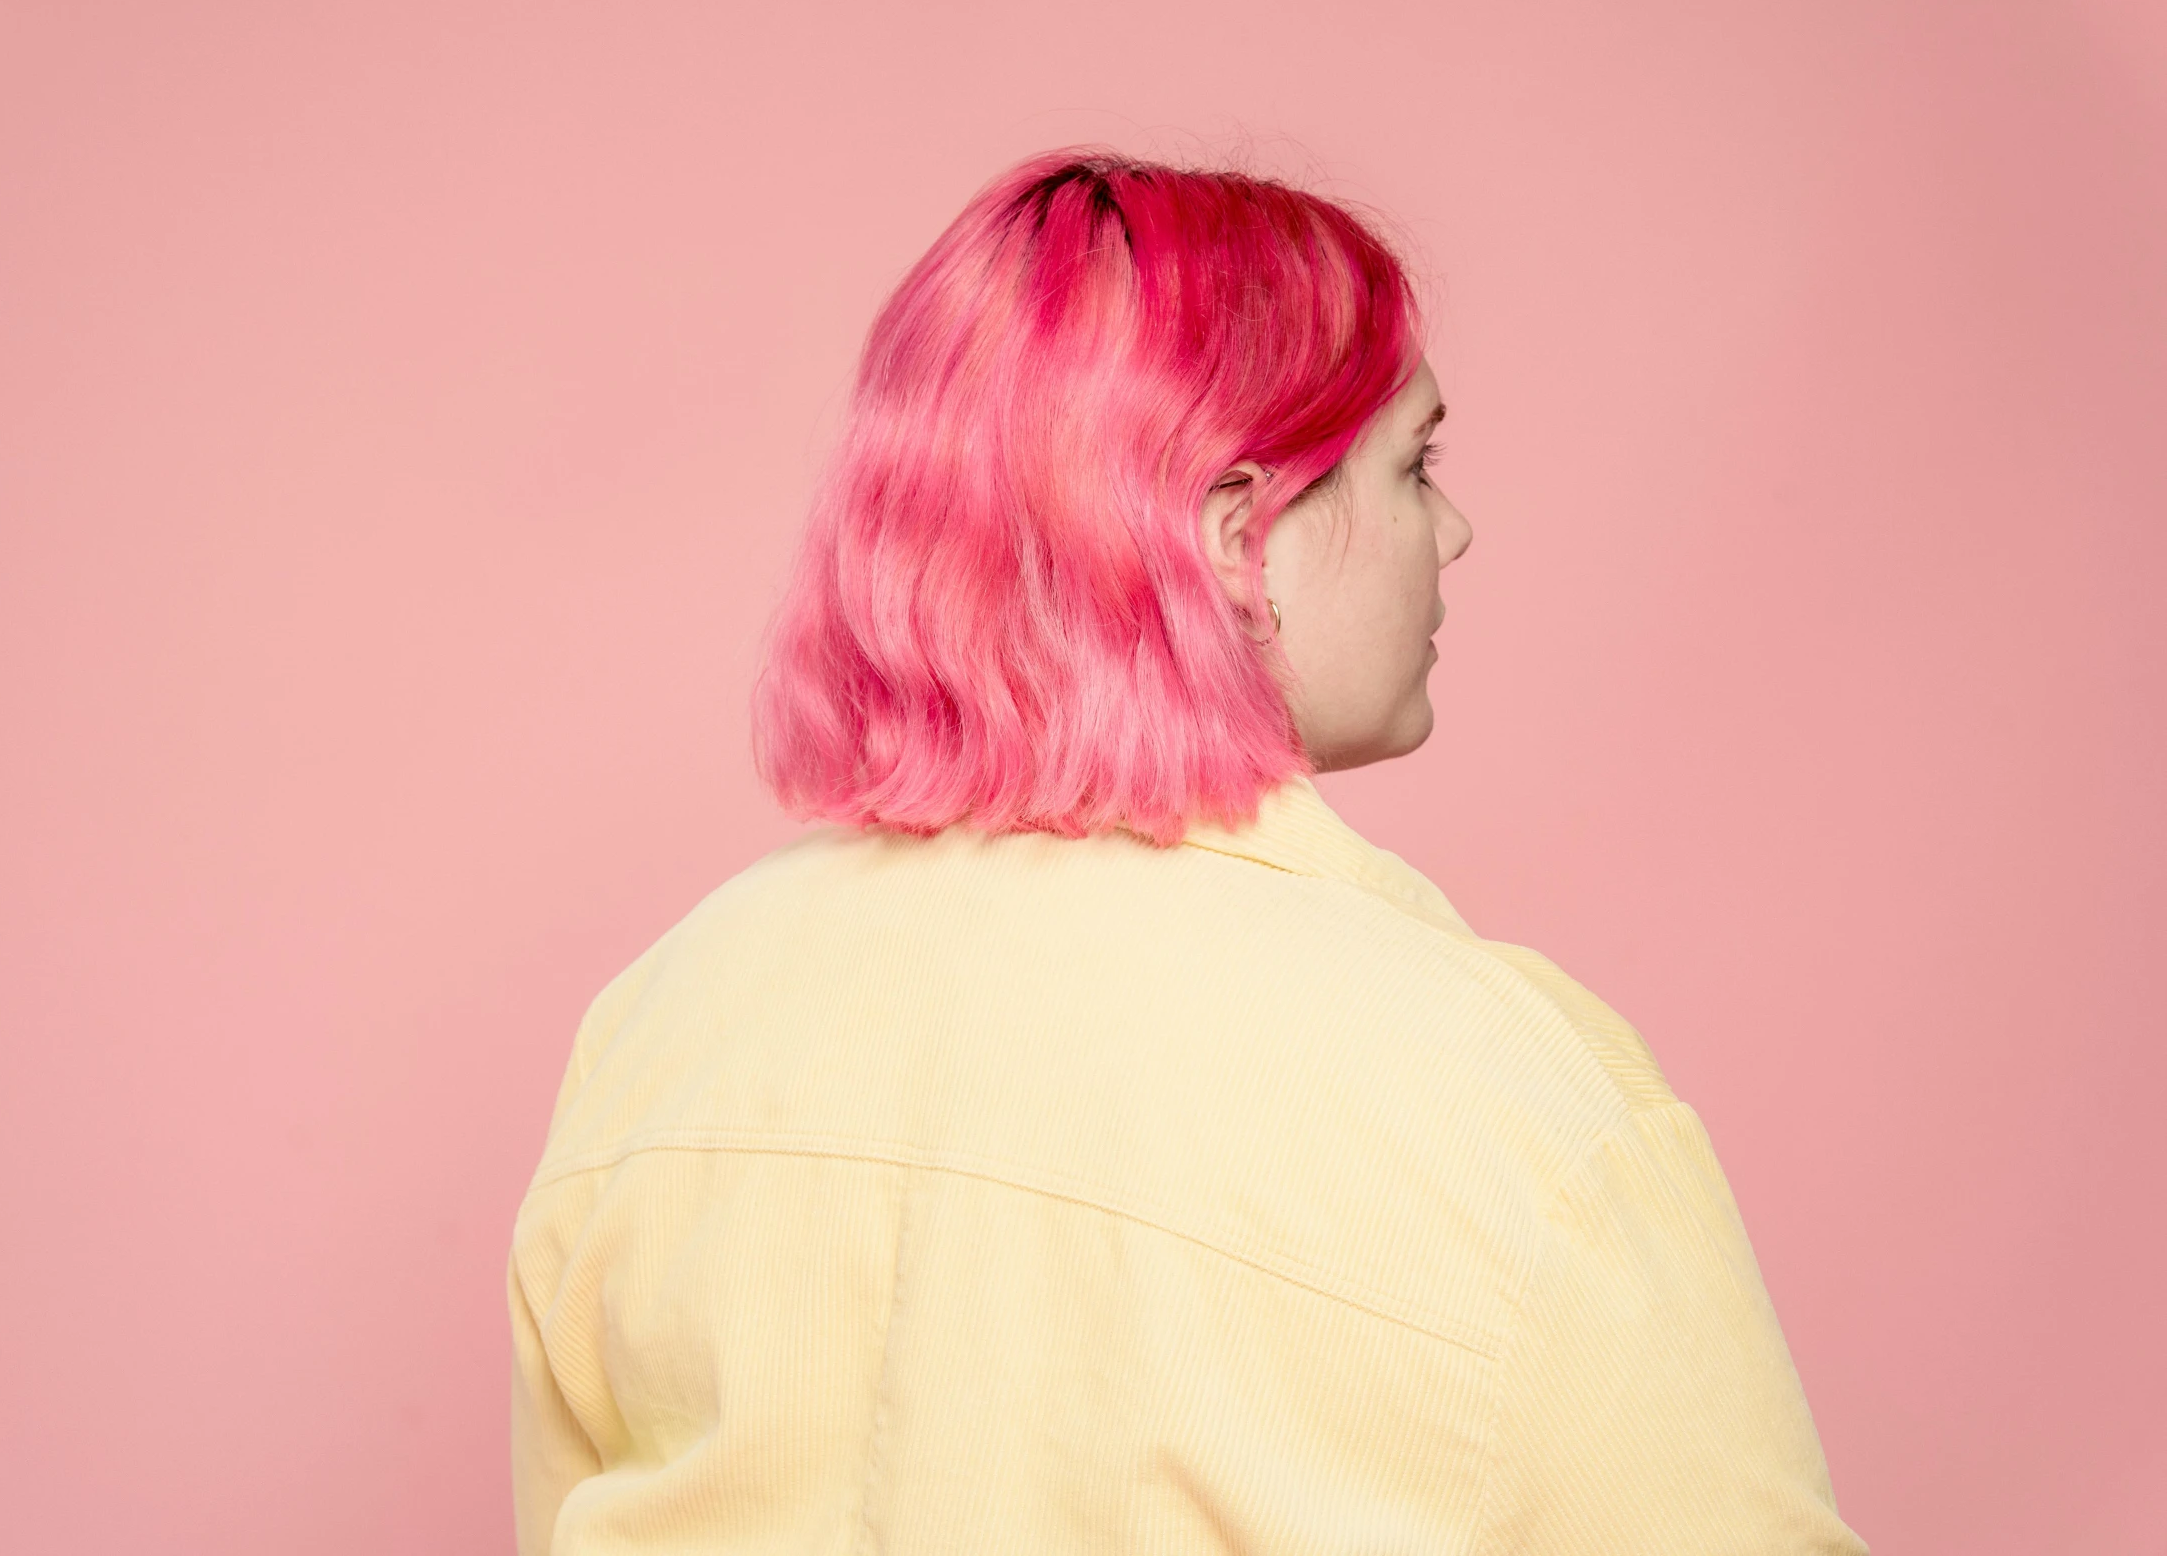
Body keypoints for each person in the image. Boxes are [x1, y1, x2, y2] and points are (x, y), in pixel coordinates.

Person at [507, 149, 1867, 1556]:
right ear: (1234, 536)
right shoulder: (1509, 1097)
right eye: (1413, 465)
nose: (1451, 530)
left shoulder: (668, 1016)